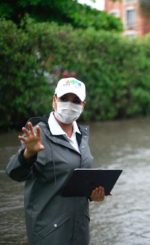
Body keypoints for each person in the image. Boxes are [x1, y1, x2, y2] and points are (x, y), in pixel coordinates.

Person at [5, 77, 105, 245]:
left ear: (83, 105)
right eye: (64, 99)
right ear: (54, 100)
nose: (69, 104)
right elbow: (13, 172)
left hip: (79, 230)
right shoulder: (37, 133)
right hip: (49, 233)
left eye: (76, 101)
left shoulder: (81, 135)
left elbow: (75, 180)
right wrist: (28, 154)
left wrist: (92, 194)